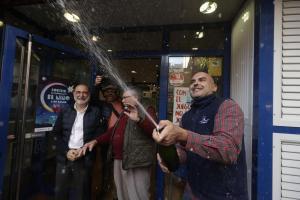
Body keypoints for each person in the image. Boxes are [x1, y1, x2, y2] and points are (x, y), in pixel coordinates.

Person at [153, 71, 248, 200]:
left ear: (215, 87)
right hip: (193, 191)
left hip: (224, 194)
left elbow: (228, 150)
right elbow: (184, 151)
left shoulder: (227, 106)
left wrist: (184, 135)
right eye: (192, 81)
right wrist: (171, 157)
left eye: (202, 80)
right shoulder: (187, 115)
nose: (196, 83)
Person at [80, 86, 156, 200]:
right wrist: (96, 141)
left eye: (126, 98)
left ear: (136, 98)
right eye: (123, 98)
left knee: (137, 195)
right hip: (119, 159)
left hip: (136, 161)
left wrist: (139, 120)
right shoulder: (125, 111)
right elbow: (113, 131)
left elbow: (154, 131)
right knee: (122, 193)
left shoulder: (146, 109)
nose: (123, 100)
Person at [52, 83, 108, 200]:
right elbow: (55, 134)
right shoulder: (65, 110)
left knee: (82, 194)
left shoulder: (96, 112)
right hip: (64, 158)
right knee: (60, 193)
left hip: (84, 158)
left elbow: (99, 133)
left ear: (89, 95)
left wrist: (84, 149)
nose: (81, 95)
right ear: (73, 94)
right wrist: (66, 151)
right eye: (78, 92)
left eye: (85, 93)